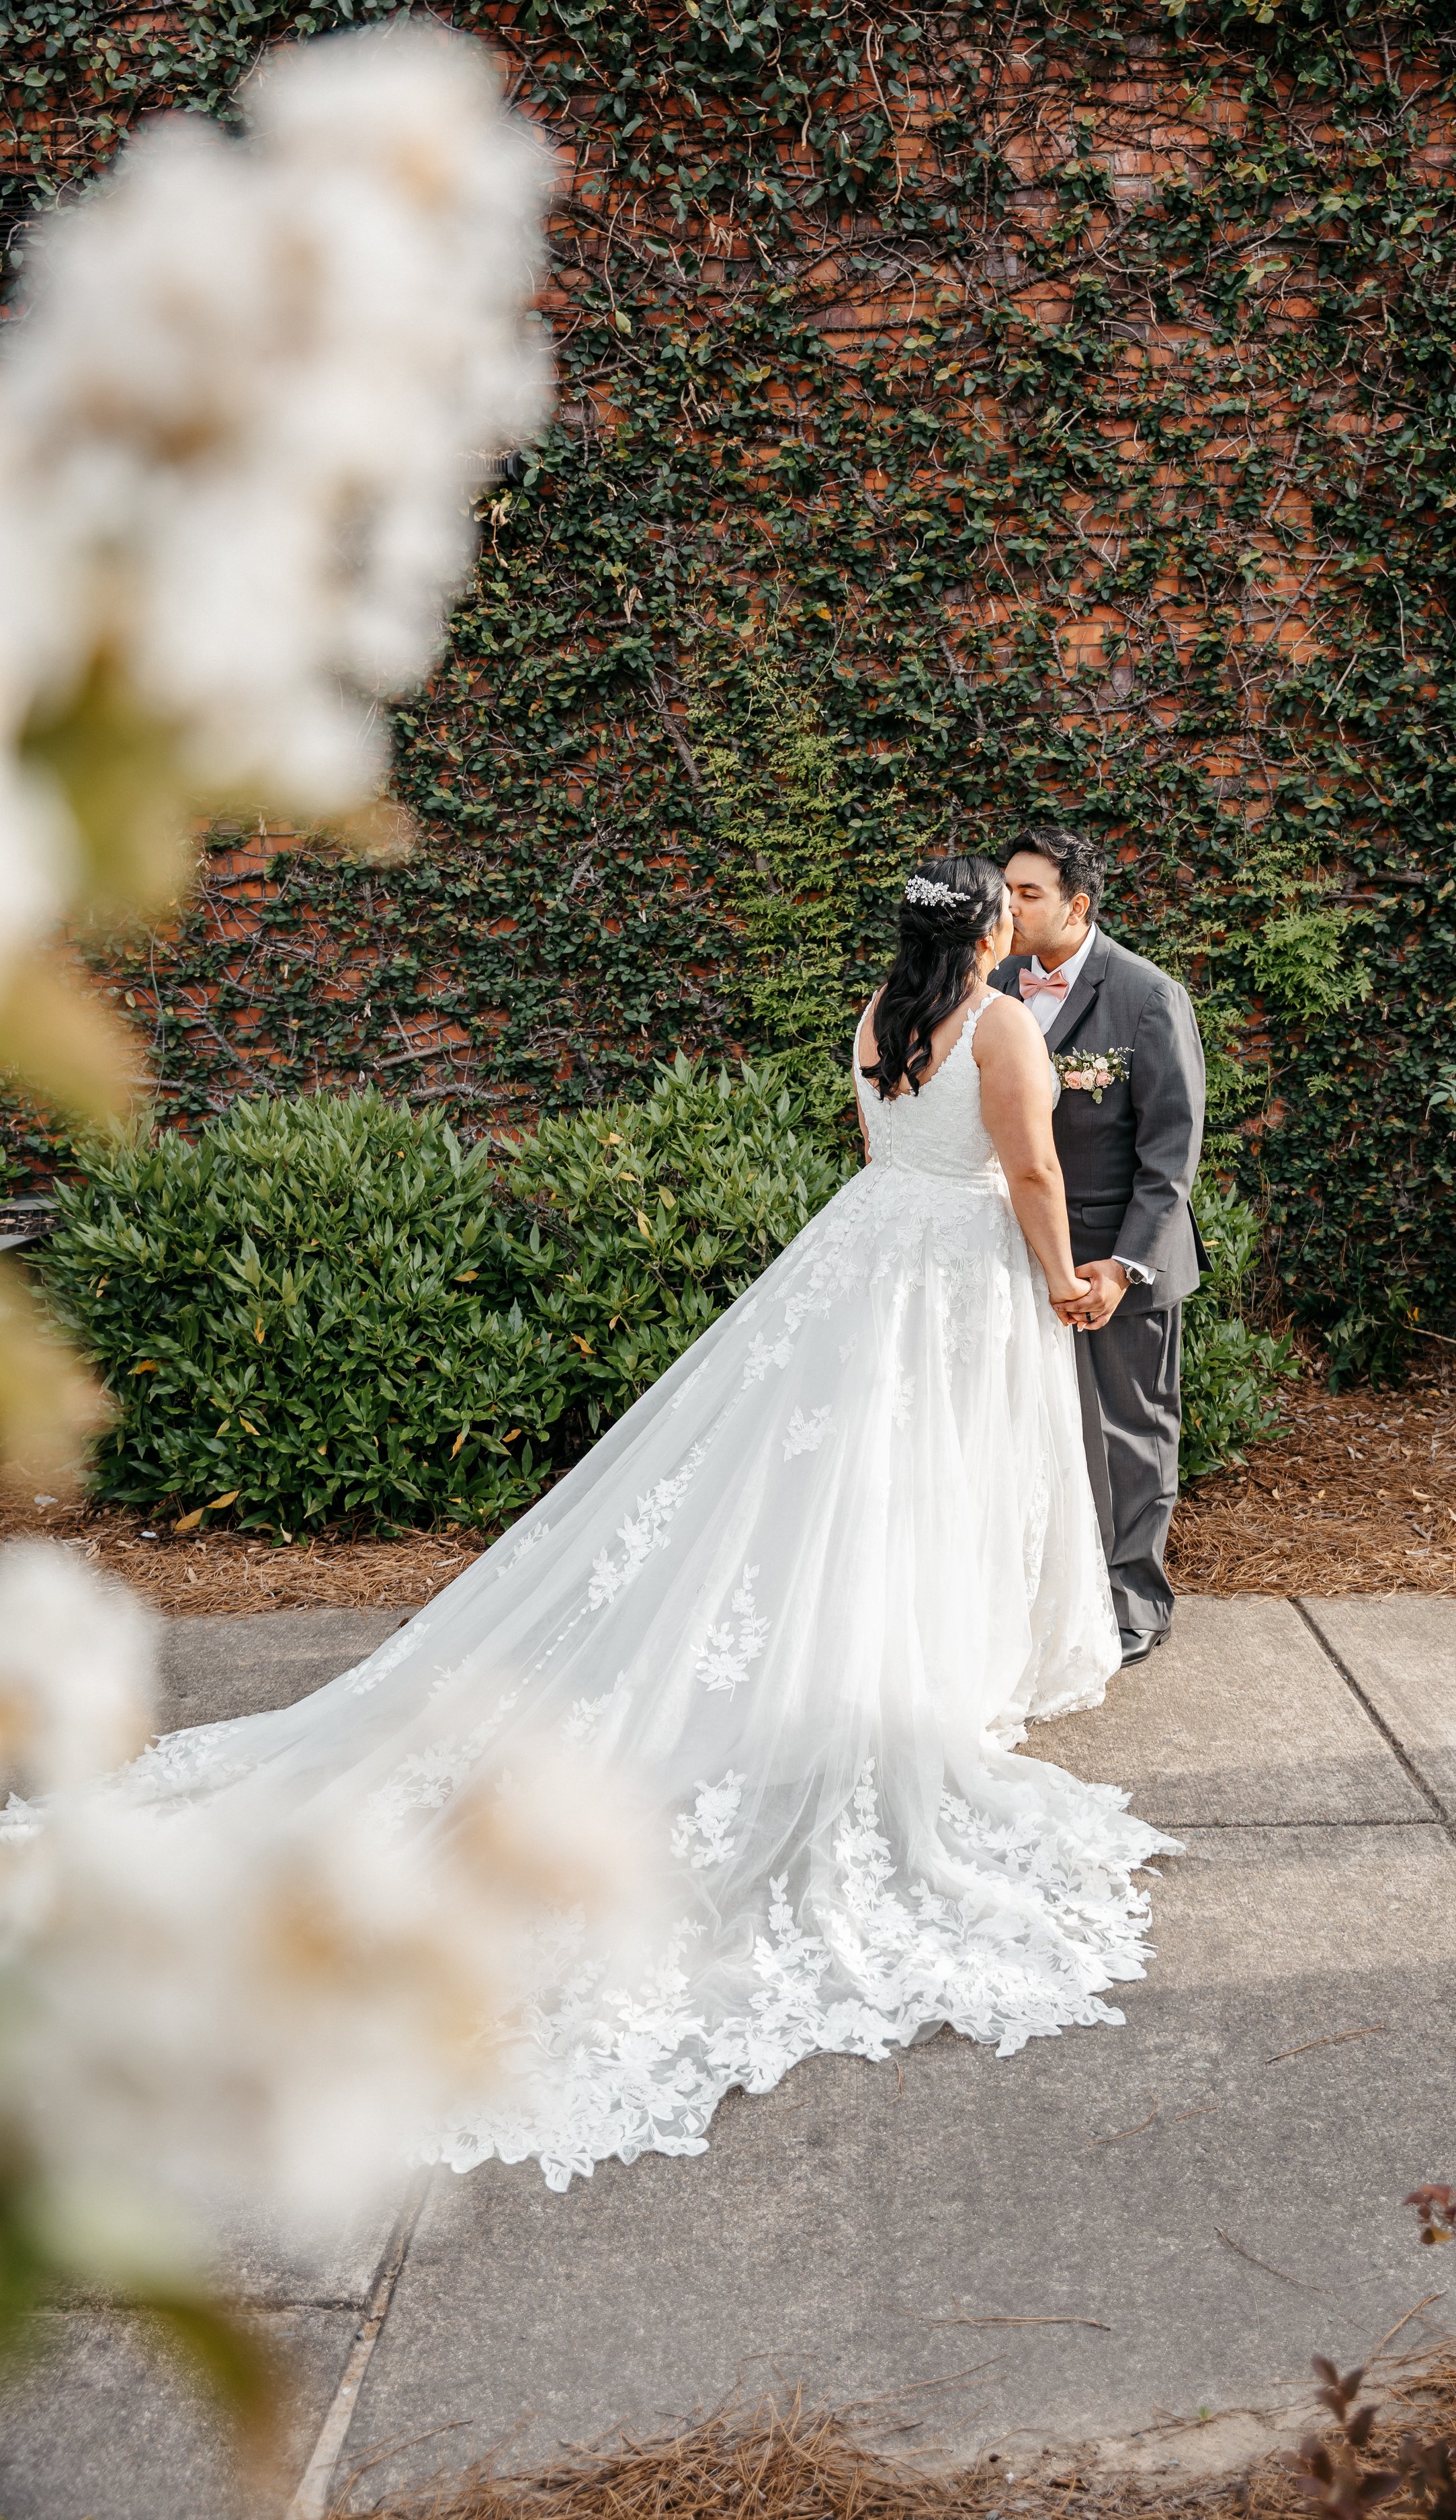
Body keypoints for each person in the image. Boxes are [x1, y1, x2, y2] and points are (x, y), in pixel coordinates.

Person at [65, 856, 1175, 2194]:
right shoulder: (1000, 1027)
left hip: (860, 1247)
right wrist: (1059, 1282)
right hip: (953, 1270)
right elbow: (1033, 1173)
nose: (1015, 920)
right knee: (919, 1467)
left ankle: (892, 1642)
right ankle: (914, 1665)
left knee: (843, 1471)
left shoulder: (879, 1015)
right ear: (987, 932)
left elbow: (880, 1145)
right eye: (1003, 910)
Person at [992, 829, 1207, 1665]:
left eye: (1029, 893)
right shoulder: (992, 986)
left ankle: (1131, 1608)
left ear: (1078, 906)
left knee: (1127, 1438)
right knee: (1025, 1432)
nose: (1008, 906)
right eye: (1005, 888)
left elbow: (1171, 1153)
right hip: (1016, 1259)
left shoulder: (1148, 997)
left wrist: (1121, 1267)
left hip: (1114, 1264)